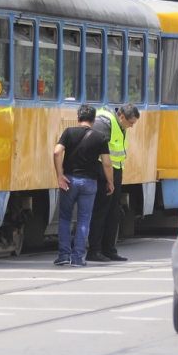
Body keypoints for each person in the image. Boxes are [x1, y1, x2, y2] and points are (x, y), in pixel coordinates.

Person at [52, 104, 114, 267]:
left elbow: (57, 152)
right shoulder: (100, 137)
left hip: (70, 181)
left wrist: (60, 175)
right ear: (94, 120)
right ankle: (78, 258)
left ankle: (64, 255)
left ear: (78, 118)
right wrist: (110, 182)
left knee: (65, 218)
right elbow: (107, 163)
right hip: (89, 183)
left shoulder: (69, 132)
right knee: (84, 219)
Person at [87, 103, 140, 263]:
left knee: (113, 212)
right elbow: (99, 150)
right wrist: (109, 179)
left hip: (115, 170)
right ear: (122, 116)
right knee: (101, 211)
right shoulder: (105, 122)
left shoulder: (119, 124)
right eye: (130, 123)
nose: (131, 127)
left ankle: (109, 249)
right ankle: (94, 250)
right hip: (103, 171)